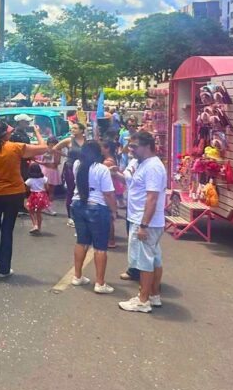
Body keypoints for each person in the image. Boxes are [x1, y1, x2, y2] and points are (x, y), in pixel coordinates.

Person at [0, 122, 49, 279]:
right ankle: (4, 268)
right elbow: (44, 147)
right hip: (14, 193)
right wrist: (37, 131)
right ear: (5, 135)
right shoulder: (15, 147)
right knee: (7, 229)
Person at [121, 131, 168, 313]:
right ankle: (153, 295)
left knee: (145, 262)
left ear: (147, 146)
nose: (130, 150)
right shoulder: (144, 164)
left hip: (147, 222)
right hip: (145, 220)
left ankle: (143, 300)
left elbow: (152, 198)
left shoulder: (152, 167)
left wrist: (143, 225)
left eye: (134, 146)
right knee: (154, 259)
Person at [69, 141, 118, 294]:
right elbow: (108, 194)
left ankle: (77, 276)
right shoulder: (102, 169)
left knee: (81, 241)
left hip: (77, 205)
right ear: (99, 153)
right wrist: (114, 211)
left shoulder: (77, 164)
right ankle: (100, 283)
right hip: (97, 207)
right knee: (100, 247)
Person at [54, 124, 86, 228]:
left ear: (82, 130)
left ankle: (82, 214)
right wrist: (66, 155)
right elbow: (54, 148)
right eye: (72, 128)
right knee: (71, 191)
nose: (72, 130)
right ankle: (70, 216)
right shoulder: (68, 141)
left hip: (83, 168)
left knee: (83, 191)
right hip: (70, 168)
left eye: (75, 128)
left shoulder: (87, 141)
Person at [24, 162, 50, 234]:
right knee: (39, 212)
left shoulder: (29, 180)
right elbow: (47, 188)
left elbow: (27, 190)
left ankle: (35, 225)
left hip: (34, 196)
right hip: (42, 195)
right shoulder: (44, 178)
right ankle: (39, 227)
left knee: (31, 210)